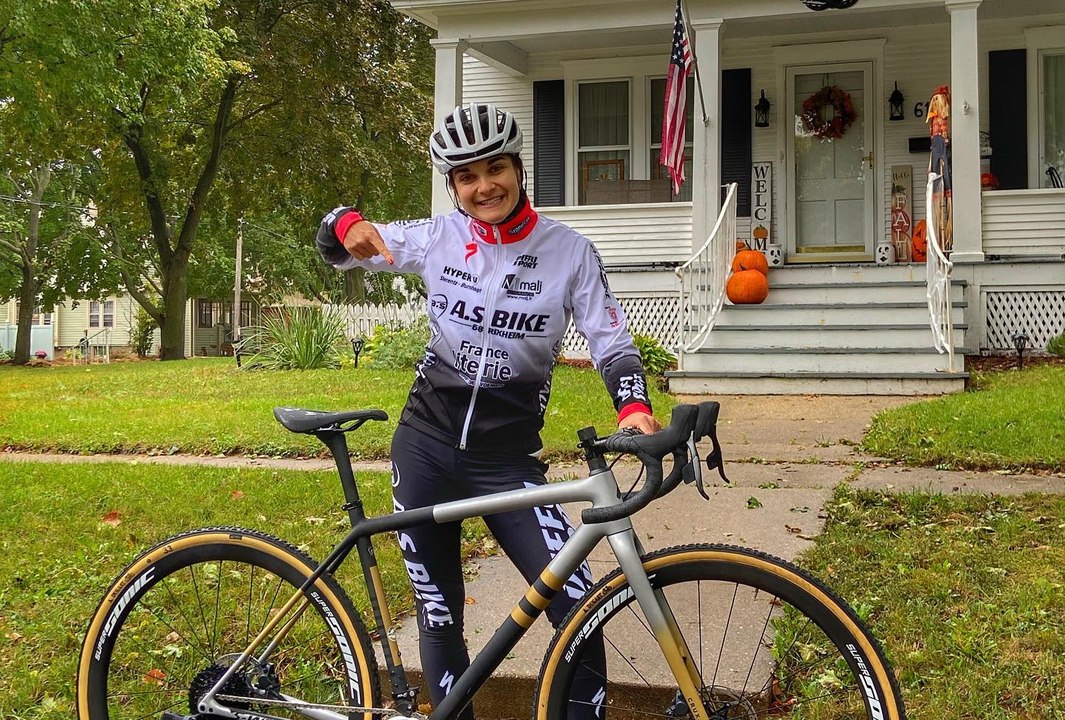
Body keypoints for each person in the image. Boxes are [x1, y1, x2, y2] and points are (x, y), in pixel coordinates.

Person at [316, 102, 660, 719]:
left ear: (519, 169)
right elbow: (340, 244)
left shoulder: (569, 252)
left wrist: (633, 408)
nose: (484, 187)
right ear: (452, 185)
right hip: (424, 449)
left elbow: (611, 342)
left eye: (494, 168)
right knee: (440, 614)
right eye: (466, 176)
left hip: (509, 464)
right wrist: (347, 225)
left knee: (580, 612)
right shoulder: (437, 238)